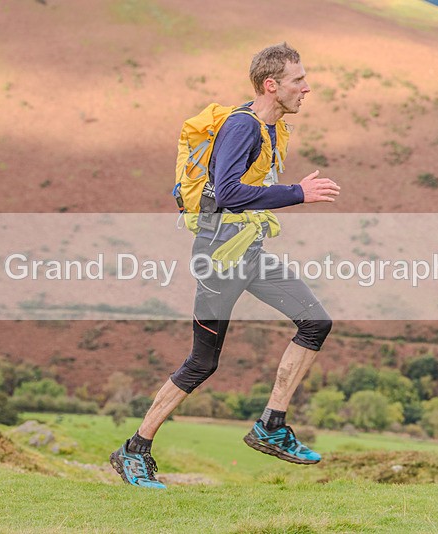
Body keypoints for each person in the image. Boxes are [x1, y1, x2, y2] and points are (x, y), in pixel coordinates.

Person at [109, 43, 340, 489]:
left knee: (316, 323)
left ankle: (271, 425)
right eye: (298, 80)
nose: (306, 88)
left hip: (246, 251)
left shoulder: (269, 128)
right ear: (271, 85)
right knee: (202, 362)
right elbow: (229, 193)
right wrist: (298, 193)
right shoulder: (242, 127)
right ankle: (134, 450)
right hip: (218, 258)